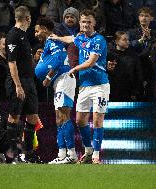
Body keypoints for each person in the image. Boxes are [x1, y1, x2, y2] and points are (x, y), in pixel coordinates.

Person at [50, 9, 110, 164]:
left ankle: (96, 155)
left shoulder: (99, 40)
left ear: (94, 23)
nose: (86, 24)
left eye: (89, 22)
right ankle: (88, 150)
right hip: (84, 86)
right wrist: (56, 37)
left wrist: (75, 68)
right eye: (83, 22)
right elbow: (70, 39)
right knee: (79, 120)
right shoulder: (80, 38)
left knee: (97, 120)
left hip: (100, 85)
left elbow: (90, 62)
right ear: (80, 23)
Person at [34, 17, 78, 164]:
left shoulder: (52, 40)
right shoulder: (49, 42)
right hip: (59, 82)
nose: (36, 34)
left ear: (45, 29)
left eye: (37, 30)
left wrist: (47, 77)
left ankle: (71, 154)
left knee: (64, 116)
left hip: (64, 79)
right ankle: (61, 154)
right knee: (59, 118)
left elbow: (60, 58)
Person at [5, 6, 40, 163]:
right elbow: (11, 63)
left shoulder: (24, 36)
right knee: (14, 116)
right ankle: (12, 155)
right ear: (28, 19)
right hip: (17, 82)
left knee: (32, 117)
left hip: (29, 81)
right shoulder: (12, 35)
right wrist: (18, 85)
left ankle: (28, 154)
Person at [107, 31, 143, 101]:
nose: (128, 41)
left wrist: (136, 92)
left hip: (128, 93)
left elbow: (138, 75)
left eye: (128, 39)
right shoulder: (109, 54)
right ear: (116, 41)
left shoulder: (133, 56)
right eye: (124, 39)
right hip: (111, 93)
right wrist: (108, 69)